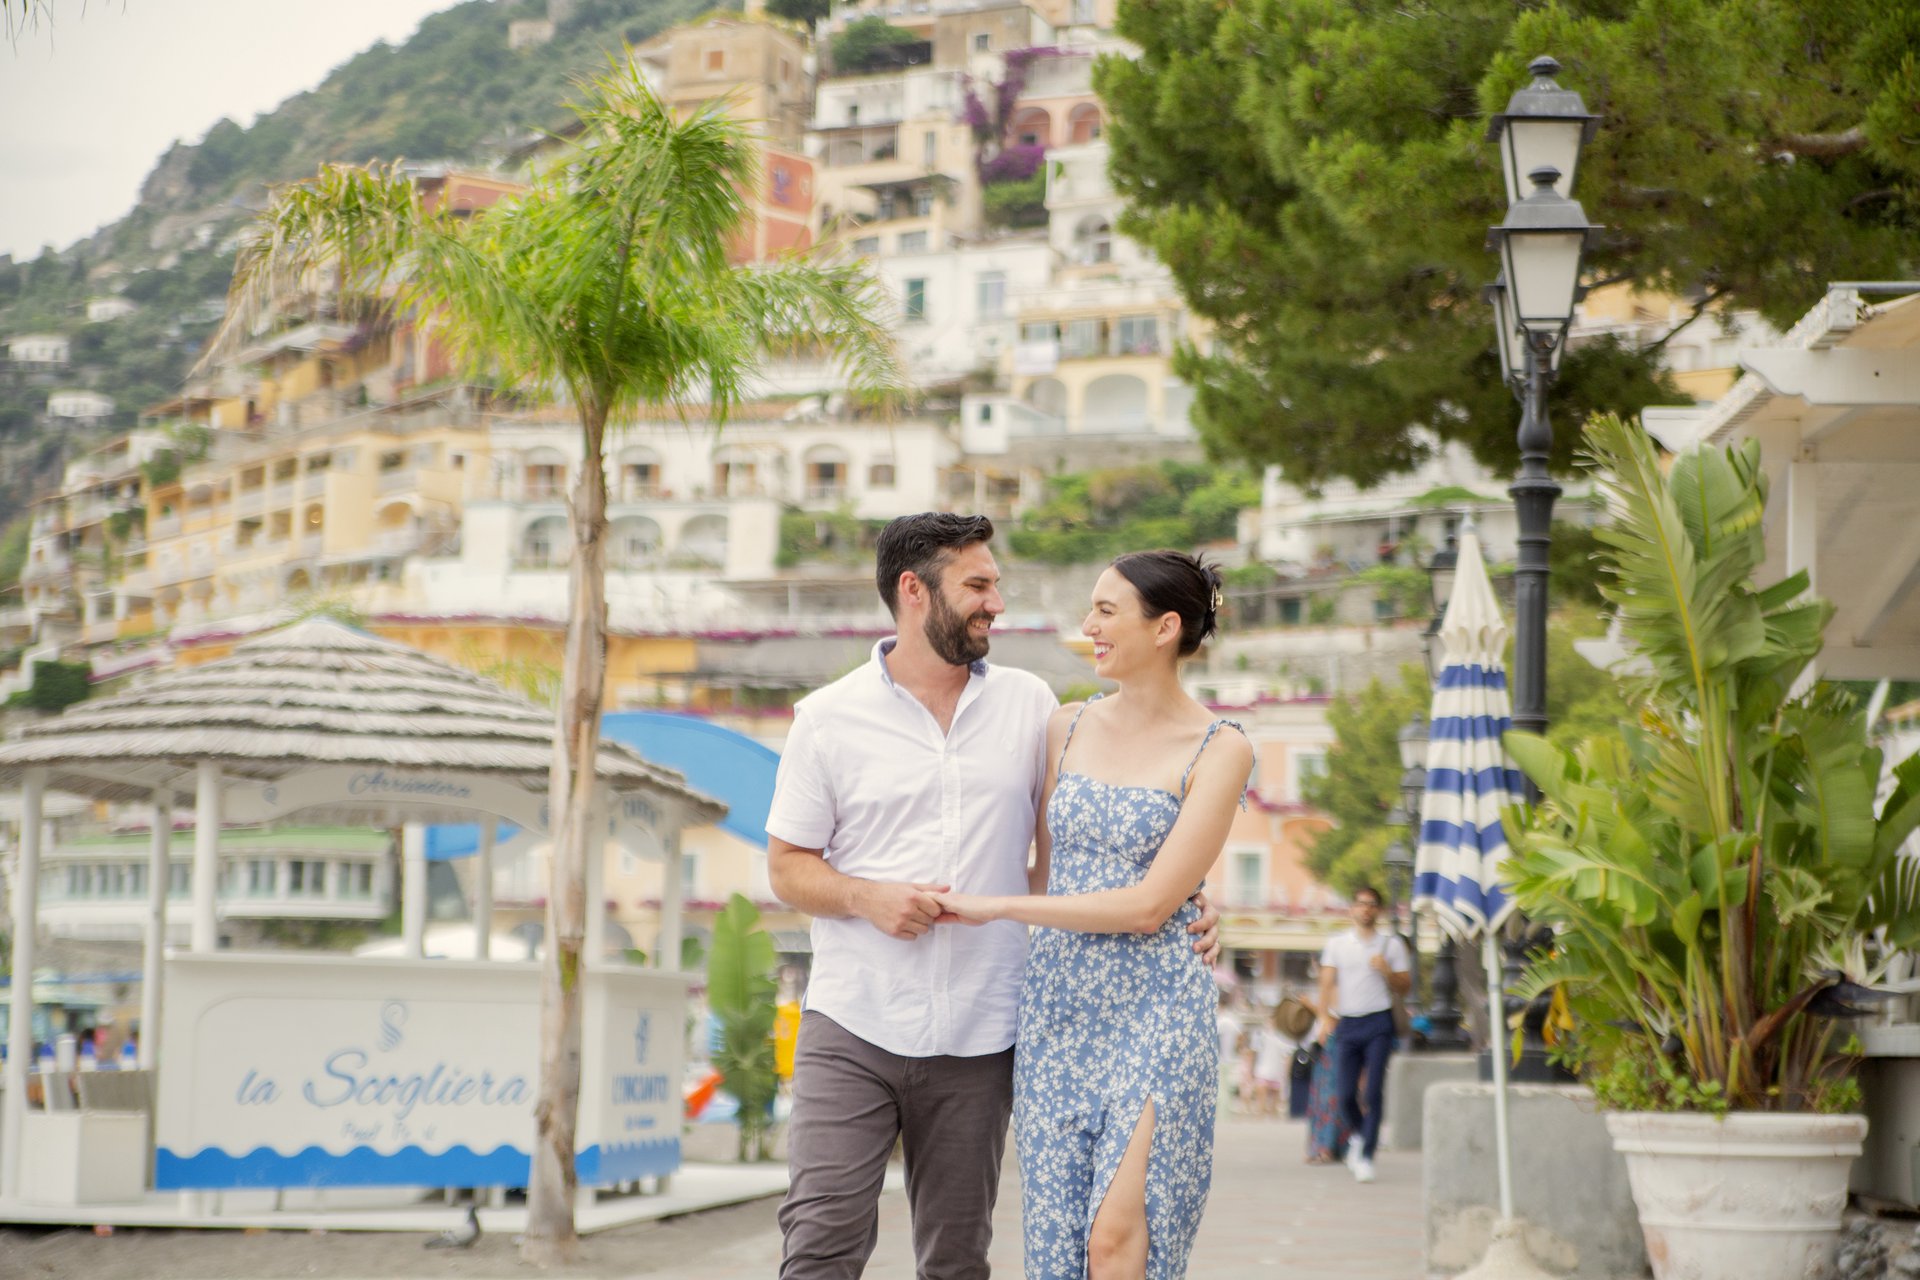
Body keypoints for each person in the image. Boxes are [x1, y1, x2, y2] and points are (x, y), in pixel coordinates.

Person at [765, 515, 1220, 1280]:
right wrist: (866, 897)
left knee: (956, 1259)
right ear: (914, 591)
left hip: (985, 1029)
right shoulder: (827, 718)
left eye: (996, 584)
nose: (997, 603)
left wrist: (1192, 899)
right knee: (820, 1245)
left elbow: (1083, 843)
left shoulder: (1031, 707)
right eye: (978, 585)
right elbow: (786, 868)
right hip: (855, 1021)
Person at [935, 550, 1253, 1280]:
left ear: (1166, 626)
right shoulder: (1064, 727)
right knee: (1057, 1241)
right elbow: (1049, 870)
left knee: (1116, 1235)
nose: (1089, 626)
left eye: (1107, 611)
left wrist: (999, 907)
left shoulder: (1222, 747)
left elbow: (1148, 907)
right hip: (1057, 1009)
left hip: (1158, 1008)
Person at [1313, 885, 1411, 1183]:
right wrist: (1323, 1018)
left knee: (1372, 1092)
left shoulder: (1391, 945)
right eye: (1360, 903)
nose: (1365, 909)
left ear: (1377, 911)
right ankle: (1358, 1135)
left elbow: (1405, 986)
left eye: (1371, 904)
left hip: (1379, 1023)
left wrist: (1386, 971)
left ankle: (1367, 1155)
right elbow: (1326, 984)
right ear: (1352, 908)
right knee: (1344, 1095)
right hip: (1348, 1023)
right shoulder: (1338, 944)